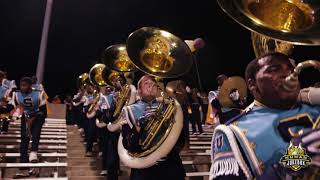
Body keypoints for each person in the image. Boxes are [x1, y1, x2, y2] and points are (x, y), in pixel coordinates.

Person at [210, 52, 320, 180]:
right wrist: (289, 167)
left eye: (290, 69)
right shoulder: (233, 132)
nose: (287, 74)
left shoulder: (315, 107)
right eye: (274, 70)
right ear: (252, 84)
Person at [111, 75, 186, 180]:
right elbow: (128, 145)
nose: (151, 85)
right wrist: (137, 129)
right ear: (139, 91)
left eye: (153, 83)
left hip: (170, 165)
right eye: (146, 83)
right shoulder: (129, 110)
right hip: (145, 170)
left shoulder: (169, 106)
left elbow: (181, 136)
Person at [12, 77, 47, 178]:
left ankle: (33, 152)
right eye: (21, 85)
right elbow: (15, 108)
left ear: (30, 86)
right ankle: (24, 168)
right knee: (24, 140)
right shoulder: (17, 94)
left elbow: (44, 111)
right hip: (25, 117)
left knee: (35, 135)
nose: (22, 88)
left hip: (37, 116)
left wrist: (34, 118)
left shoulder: (39, 93)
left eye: (24, 85)